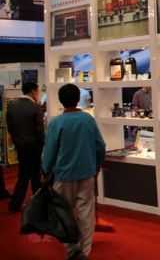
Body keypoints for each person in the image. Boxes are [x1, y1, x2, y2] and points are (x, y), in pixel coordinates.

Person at [42, 84, 106, 260]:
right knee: (86, 213)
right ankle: (84, 251)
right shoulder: (88, 120)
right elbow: (100, 146)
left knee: (63, 214)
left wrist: (46, 170)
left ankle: (72, 250)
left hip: (63, 176)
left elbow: (49, 152)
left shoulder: (56, 123)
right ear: (78, 99)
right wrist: (96, 166)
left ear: (60, 100)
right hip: (86, 173)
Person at [6, 82, 44, 212]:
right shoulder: (36, 107)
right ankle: (37, 204)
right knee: (35, 177)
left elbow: (10, 127)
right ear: (33, 91)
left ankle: (15, 204)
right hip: (34, 147)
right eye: (38, 91)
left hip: (20, 146)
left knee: (23, 175)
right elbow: (40, 131)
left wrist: (16, 141)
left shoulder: (12, 105)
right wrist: (43, 146)